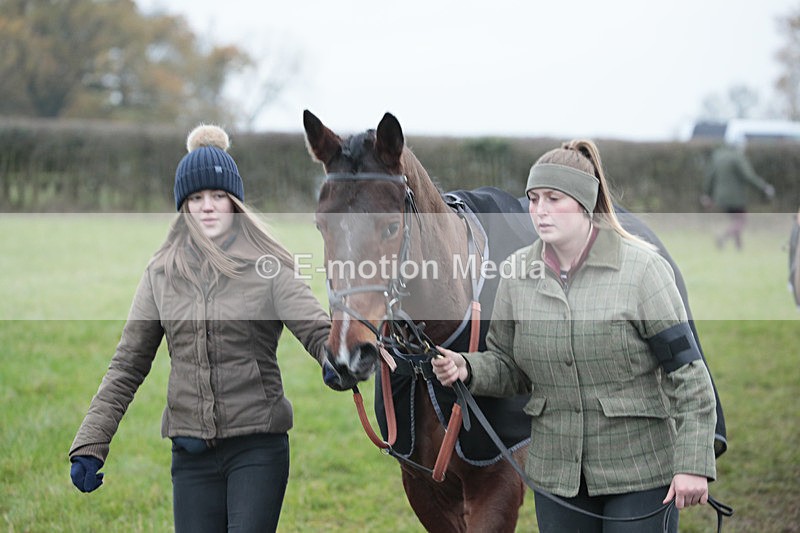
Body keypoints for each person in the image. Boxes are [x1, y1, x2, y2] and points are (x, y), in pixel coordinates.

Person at [432, 140, 718, 533]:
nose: (539, 210)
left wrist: (692, 465)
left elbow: (688, 375)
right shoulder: (516, 273)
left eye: (553, 198)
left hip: (640, 471)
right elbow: (510, 366)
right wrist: (467, 367)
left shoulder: (643, 270)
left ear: (584, 202)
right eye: (533, 199)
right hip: (558, 477)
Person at [68, 125, 331, 533]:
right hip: (190, 455)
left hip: (256, 448)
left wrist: (337, 358)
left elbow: (317, 331)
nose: (207, 207)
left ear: (234, 202)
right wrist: (90, 443)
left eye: (218, 195)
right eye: (196, 197)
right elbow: (127, 366)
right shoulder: (160, 273)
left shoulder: (268, 266)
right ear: (184, 205)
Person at [700, 140, 775, 250]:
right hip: (735, 198)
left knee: (735, 221)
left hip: (720, 197)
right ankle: (723, 236)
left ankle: (739, 247)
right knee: (741, 221)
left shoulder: (718, 156)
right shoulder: (737, 157)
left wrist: (707, 194)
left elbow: (710, 176)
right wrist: (764, 187)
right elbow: (749, 176)